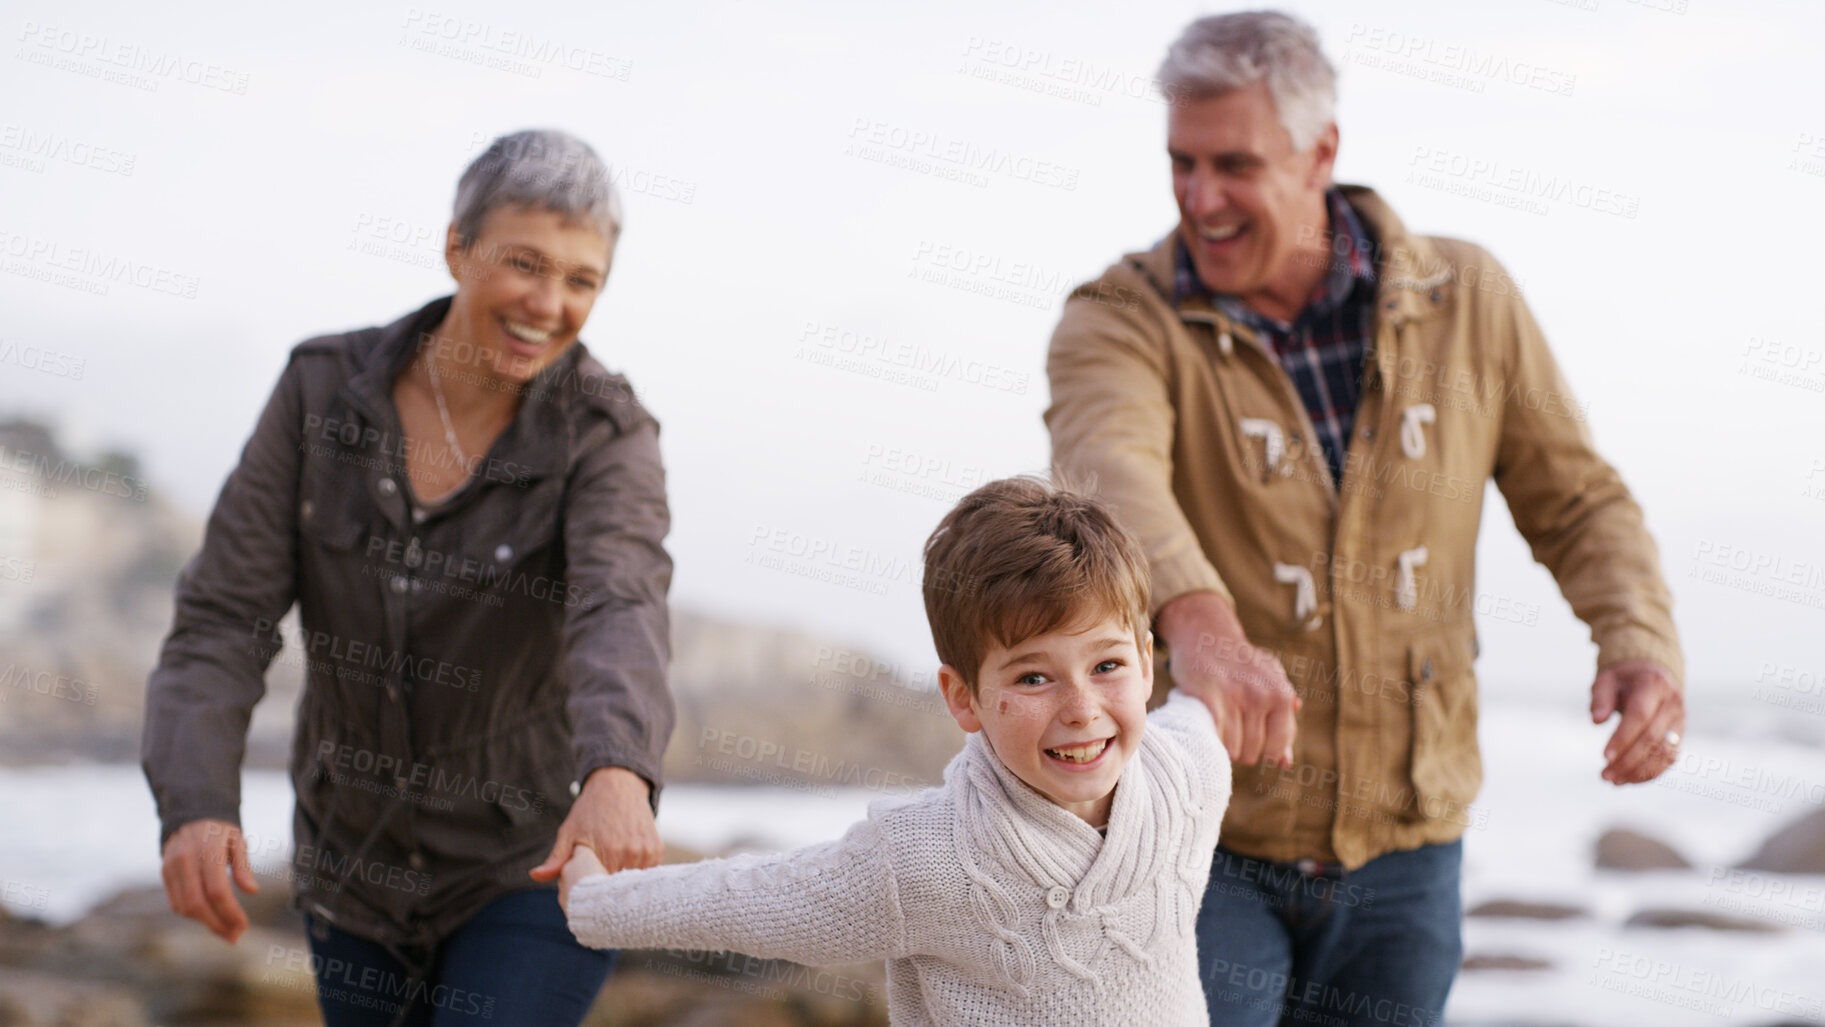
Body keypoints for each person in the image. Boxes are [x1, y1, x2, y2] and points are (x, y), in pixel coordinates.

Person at [1043, 12, 1686, 1027]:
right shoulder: (1117, 318)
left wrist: (1639, 639)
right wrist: (1202, 626)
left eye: (1233, 165)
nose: (1199, 198)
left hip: (1408, 851)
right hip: (1197, 832)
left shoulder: (1468, 299)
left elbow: (1578, 500)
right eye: (1182, 162)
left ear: (1322, 152)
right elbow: (1108, 475)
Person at [141, 129, 674, 1027]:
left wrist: (618, 768)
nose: (549, 303)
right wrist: (196, 799)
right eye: (525, 264)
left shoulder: (605, 431)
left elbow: (617, 601)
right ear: (456, 246)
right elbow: (223, 617)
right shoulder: (320, 393)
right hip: (354, 868)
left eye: (581, 280)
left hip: (533, 862)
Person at [558, 476, 1235, 1026]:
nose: (1081, 708)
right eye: (1033, 676)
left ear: (1147, 662)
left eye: (1107, 665)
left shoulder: (1190, 772)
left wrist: (1221, 675)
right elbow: (753, 898)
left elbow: (1203, 709)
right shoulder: (922, 857)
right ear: (962, 696)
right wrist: (596, 899)